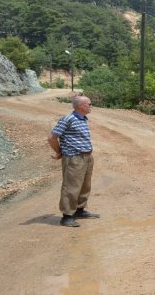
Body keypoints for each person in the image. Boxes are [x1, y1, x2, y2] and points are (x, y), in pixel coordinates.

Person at [47, 96, 100, 227]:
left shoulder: (82, 119)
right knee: (71, 187)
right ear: (81, 106)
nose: (91, 106)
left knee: (84, 185)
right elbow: (52, 137)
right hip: (74, 158)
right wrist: (59, 152)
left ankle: (79, 210)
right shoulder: (68, 119)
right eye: (89, 104)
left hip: (86, 157)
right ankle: (67, 216)